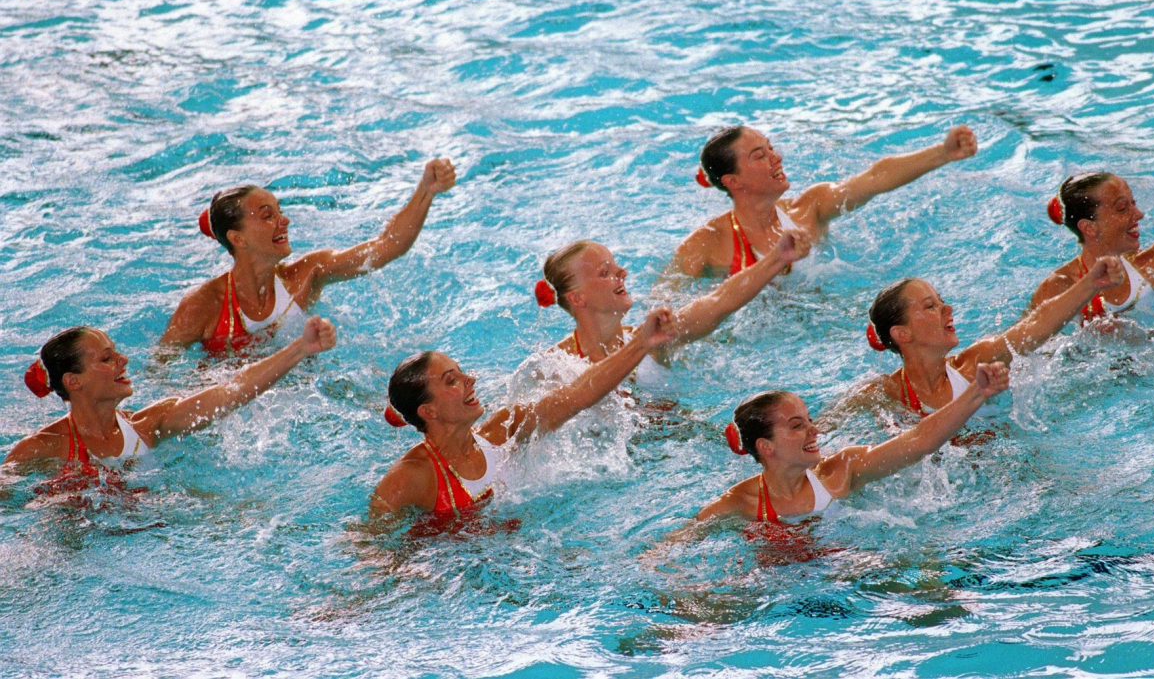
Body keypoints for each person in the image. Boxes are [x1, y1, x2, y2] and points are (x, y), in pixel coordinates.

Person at [369, 308, 676, 521]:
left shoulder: (504, 429)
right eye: (452, 381)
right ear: (429, 411)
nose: (470, 380)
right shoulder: (411, 477)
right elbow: (371, 548)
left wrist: (641, 343)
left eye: (462, 372)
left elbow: (579, 395)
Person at [161, 159, 455, 353]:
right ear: (237, 239)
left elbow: (387, 246)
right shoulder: (202, 305)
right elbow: (161, 374)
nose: (284, 221)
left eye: (280, 211)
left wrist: (425, 191)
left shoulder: (306, 275)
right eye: (268, 216)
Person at [6, 317, 336, 473]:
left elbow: (232, 391)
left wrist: (301, 348)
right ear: (73, 381)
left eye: (117, 352)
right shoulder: (38, 449)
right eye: (107, 358)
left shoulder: (151, 425)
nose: (124, 360)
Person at [694, 362, 1009, 523]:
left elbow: (918, 441)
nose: (814, 431)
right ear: (766, 447)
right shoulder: (740, 504)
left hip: (845, 567)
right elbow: (672, 547)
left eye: (810, 420)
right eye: (797, 426)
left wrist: (976, 393)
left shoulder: (840, 472)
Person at [670, 125, 978, 278]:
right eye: (760, 155)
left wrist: (942, 153)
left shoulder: (809, 209)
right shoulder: (706, 245)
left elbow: (873, 179)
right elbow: (669, 308)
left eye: (771, 148)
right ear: (733, 181)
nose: (776, 157)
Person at [864, 258, 1125, 414]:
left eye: (942, 301)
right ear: (902, 333)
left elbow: (1036, 325)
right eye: (931, 306)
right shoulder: (886, 394)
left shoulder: (975, 364)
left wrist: (1090, 283)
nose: (948, 309)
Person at [534, 230, 810, 375]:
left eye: (616, 266)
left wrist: (777, 257)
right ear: (576, 298)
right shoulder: (558, 367)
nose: (622, 273)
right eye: (605, 273)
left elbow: (719, 302)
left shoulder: (655, 335)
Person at [1032, 171, 1154, 324]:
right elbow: (1018, 344)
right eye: (1122, 208)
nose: (1139, 214)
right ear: (1089, 227)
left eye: (1133, 203)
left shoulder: (1151, 262)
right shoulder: (1059, 288)